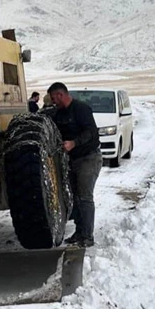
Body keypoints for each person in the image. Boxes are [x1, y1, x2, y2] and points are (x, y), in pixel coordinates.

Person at [47, 82, 101, 247]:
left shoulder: (81, 109)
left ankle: (88, 236)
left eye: (53, 98)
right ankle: (79, 232)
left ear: (60, 95)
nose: (52, 102)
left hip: (88, 158)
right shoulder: (59, 113)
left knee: (84, 197)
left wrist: (74, 143)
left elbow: (91, 132)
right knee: (75, 197)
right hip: (72, 160)